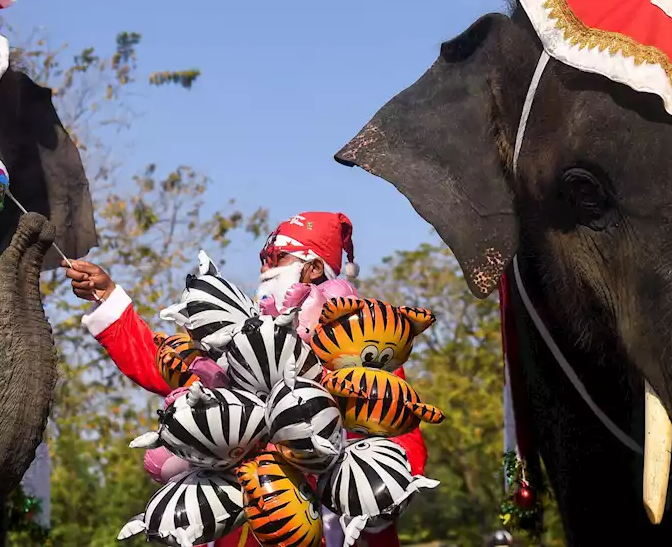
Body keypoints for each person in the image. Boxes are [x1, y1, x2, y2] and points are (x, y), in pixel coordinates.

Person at [64, 212, 427, 547]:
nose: (264, 268)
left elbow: (405, 451)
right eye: (262, 259)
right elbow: (158, 361)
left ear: (314, 269)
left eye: (276, 257)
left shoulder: (362, 354)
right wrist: (107, 296)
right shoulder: (238, 341)